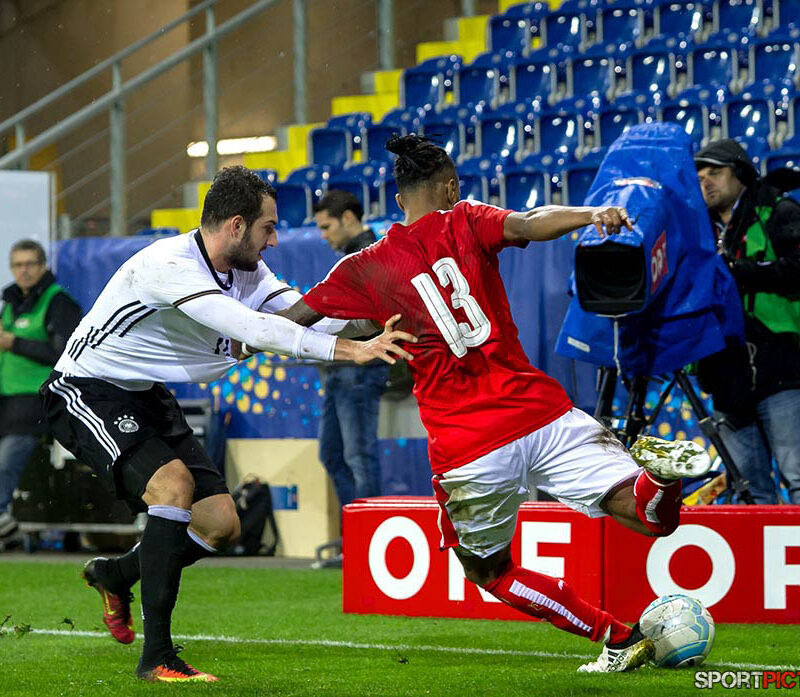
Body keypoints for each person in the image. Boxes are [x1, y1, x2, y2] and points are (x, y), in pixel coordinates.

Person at [275, 135, 712, 673]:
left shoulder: (365, 266)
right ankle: (660, 480)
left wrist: (235, 340)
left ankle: (616, 636)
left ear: (397, 198)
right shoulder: (466, 220)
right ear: (452, 187)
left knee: (491, 573)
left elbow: (293, 321)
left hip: (469, 447)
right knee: (648, 517)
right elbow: (531, 222)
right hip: (540, 411)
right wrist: (592, 213)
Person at [39, 166, 413, 683]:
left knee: (221, 525)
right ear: (236, 225)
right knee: (173, 487)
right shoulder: (169, 265)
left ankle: (115, 573)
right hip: (86, 389)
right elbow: (255, 329)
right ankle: (158, 658)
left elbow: (298, 314)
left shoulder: (249, 271)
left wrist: (369, 321)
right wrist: (353, 349)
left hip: (145, 393)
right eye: (268, 227)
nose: (276, 239)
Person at [694, 139, 800, 504]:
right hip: (724, 374)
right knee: (750, 490)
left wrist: (737, 270)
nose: (704, 181)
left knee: (797, 476)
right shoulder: (694, 230)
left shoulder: (780, 212)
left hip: (782, 367)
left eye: (715, 173)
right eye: (700, 174)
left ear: (740, 175)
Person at [313, 191, 389, 512]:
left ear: (348, 218)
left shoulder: (369, 256)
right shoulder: (357, 257)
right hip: (342, 367)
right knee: (332, 454)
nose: (324, 235)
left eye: (326, 226)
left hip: (359, 367)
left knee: (358, 455)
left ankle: (367, 540)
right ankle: (356, 538)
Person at [0, 240, 81, 541]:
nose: (24, 270)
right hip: (7, 400)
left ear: (43, 266)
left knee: (8, 458)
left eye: (30, 264)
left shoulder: (59, 302)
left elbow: (65, 354)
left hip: (39, 401)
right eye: (18, 265)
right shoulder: (10, 304)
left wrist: (15, 343)